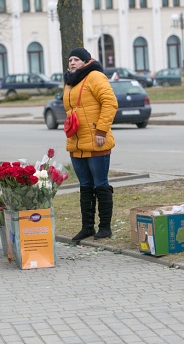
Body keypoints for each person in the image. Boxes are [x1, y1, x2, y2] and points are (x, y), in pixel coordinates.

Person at [63, 47, 118, 241]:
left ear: (86, 62)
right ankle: (87, 227)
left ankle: (105, 227)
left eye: (76, 59)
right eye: (70, 59)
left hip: (96, 140)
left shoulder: (95, 76)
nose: (72, 62)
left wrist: (101, 130)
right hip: (76, 143)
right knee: (85, 186)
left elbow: (110, 103)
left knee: (100, 184)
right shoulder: (69, 82)